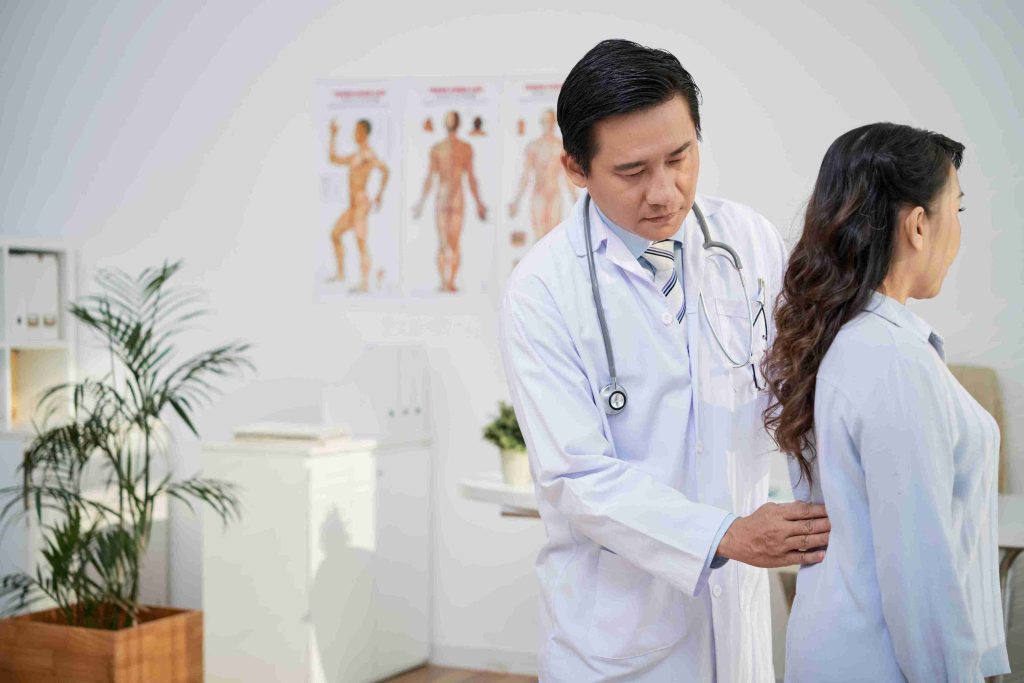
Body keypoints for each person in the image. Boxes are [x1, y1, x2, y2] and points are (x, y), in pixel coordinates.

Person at [499, 39, 830, 682]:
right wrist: (722, 536)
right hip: (617, 636)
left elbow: (791, 386)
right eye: (632, 171)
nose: (665, 192)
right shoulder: (542, 289)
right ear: (575, 167)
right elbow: (576, 477)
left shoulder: (747, 240)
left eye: (680, 158)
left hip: (736, 626)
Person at [763, 123, 1010, 681]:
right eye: (958, 211)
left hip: (838, 645)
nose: (958, 233)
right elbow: (920, 571)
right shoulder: (892, 358)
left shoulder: (842, 338)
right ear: (918, 225)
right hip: (883, 661)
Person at [413, 110, 488, 292]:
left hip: (452, 198)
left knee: (451, 242)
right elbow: (430, 178)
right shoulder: (439, 148)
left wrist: (479, 203)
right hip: (446, 197)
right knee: (445, 242)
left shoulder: (461, 148)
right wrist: (421, 203)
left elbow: (471, 177)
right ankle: (446, 282)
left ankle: (450, 282)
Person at [327, 118, 389, 292]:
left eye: (356, 130)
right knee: (335, 234)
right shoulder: (356, 155)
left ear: (363, 132)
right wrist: (333, 135)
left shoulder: (368, 154)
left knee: (361, 241)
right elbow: (333, 158)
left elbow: (385, 170)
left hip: (361, 203)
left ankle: (365, 283)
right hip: (353, 204)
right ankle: (340, 274)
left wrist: (379, 195)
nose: (354, 134)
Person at [508, 109, 577, 241]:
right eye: (545, 121)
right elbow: (525, 176)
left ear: (554, 123)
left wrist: (576, 199)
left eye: (550, 121)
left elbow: (567, 176)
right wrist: (516, 201)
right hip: (538, 194)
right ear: (541, 123)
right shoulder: (534, 147)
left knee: (553, 237)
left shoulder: (560, 147)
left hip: (554, 193)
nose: (548, 124)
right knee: (539, 237)